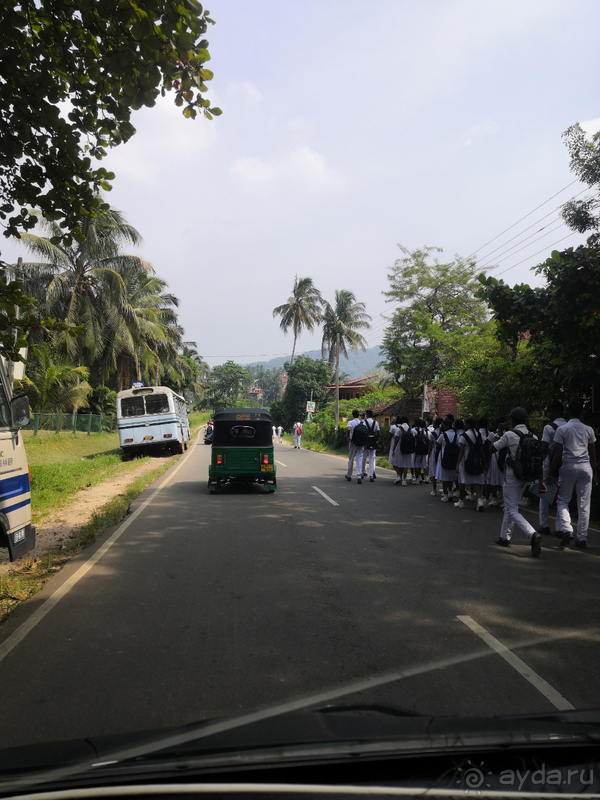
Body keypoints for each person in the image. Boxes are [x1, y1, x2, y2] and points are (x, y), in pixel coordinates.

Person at [493, 407, 545, 557]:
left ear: (513, 420)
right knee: (512, 505)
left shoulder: (509, 435)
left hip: (512, 475)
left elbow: (491, 448)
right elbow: (538, 461)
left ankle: (532, 534)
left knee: (510, 508)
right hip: (527, 477)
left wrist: (499, 431)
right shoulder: (533, 436)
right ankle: (504, 537)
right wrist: (541, 481)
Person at [545, 400, 597, 549]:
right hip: (586, 468)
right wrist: (595, 474)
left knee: (563, 500)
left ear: (568, 413)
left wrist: (550, 473)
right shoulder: (589, 430)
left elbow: (557, 454)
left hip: (568, 466)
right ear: (581, 413)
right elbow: (593, 455)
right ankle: (582, 538)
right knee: (584, 504)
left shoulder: (563, 429)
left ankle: (567, 529)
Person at [538, 401, 567, 537]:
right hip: (565, 464)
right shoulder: (568, 426)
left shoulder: (549, 428)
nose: (548, 414)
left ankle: (544, 525)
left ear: (555, 412)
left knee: (545, 493)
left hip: (549, 463)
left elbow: (544, 447)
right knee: (562, 496)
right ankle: (560, 528)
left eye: (549, 412)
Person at [454, 417, 486, 511]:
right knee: (476, 481)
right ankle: (479, 500)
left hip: (466, 460)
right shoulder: (478, 434)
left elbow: (461, 451)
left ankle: (461, 501)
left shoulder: (464, 436)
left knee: (462, 481)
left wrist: (458, 463)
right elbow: (481, 449)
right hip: (477, 460)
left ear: (468, 425)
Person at [391, 415, 413, 485]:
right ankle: (404, 480)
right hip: (408, 448)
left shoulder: (399, 429)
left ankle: (398, 476)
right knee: (405, 465)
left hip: (400, 447)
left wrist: (393, 449)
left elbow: (396, 440)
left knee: (396, 462)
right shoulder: (410, 429)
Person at [345, 409, 365, 483]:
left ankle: (349, 475)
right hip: (361, 443)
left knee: (351, 459)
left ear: (352, 415)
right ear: (358, 415)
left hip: (353, 443)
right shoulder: (361, 422)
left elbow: (348, 428)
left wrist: (348, 437)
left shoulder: (351, 422)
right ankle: (359, 476)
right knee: (359, 459)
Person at [363, 409, 380, 482]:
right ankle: (371, 475)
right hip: (373, 441)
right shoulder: (375, 423)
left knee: (363, 457)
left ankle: (363, 472)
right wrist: (377, 438)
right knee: (372, 458)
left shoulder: (363, 422)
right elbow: (378, 432)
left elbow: (362, 431)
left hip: (365, 441)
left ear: (367, 415)